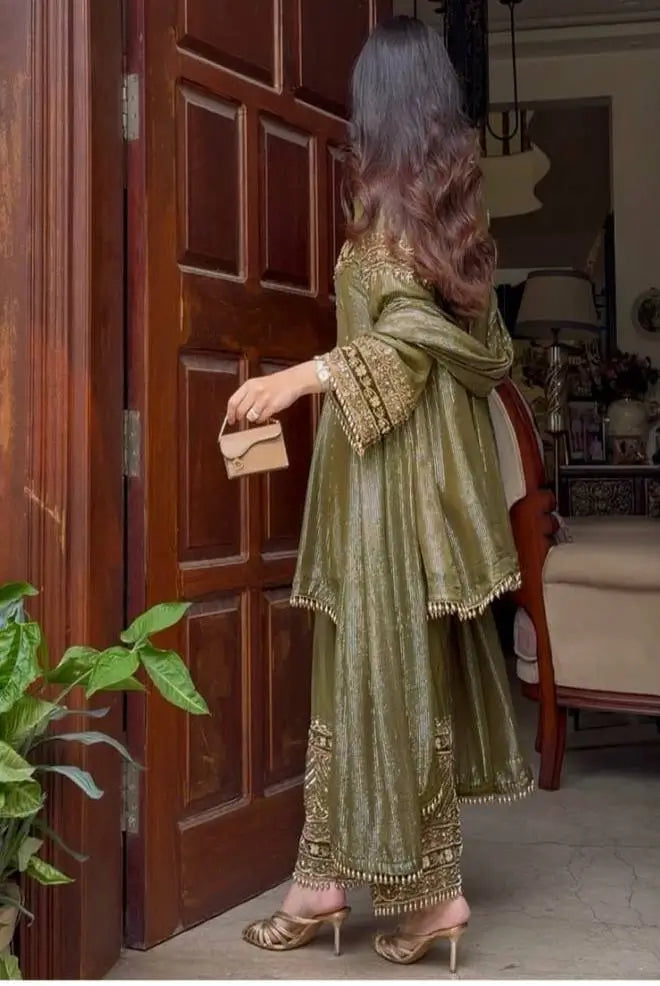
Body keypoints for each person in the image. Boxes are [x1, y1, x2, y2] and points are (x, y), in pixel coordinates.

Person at [227, 15, 533, 971]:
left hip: (388, 491)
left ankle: (428, 895)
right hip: (391, 480)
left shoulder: (395, 223)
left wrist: (301, 377)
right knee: (372, 673)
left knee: (381, 675)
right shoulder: (445, 217)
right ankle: (327, 878)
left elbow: (406, 346)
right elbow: (462, 342)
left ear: (379, 103)